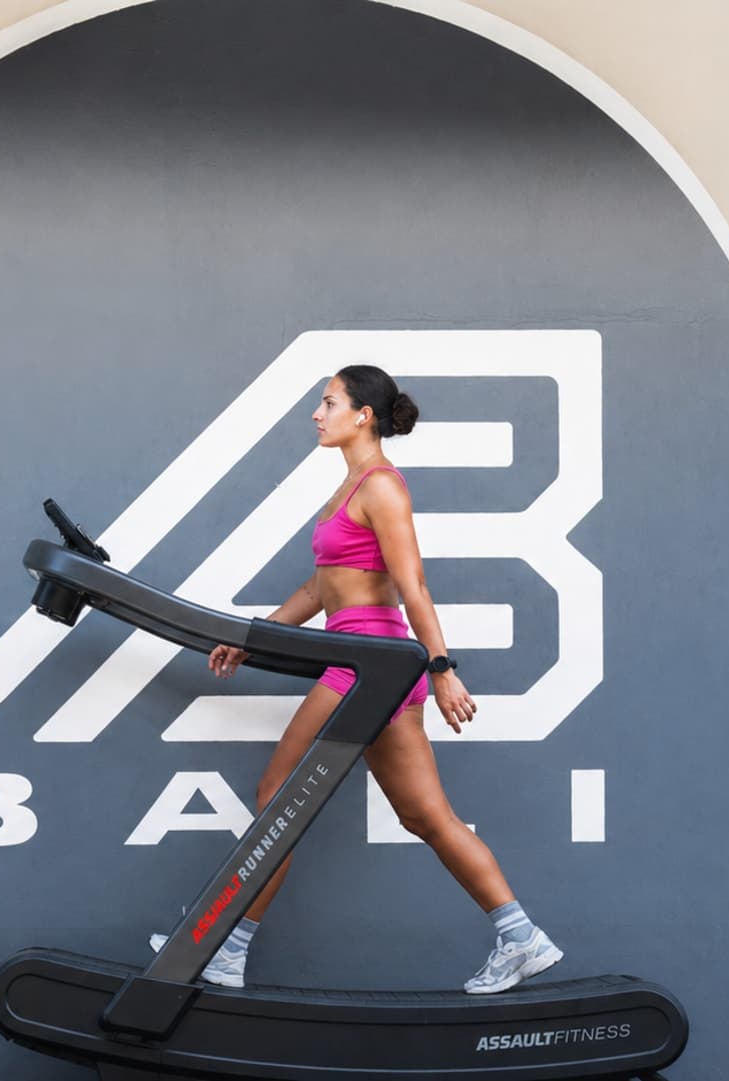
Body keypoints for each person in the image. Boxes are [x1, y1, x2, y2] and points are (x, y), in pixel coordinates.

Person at [151, 364, 561, 995]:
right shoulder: (346, 489)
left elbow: (413, 583)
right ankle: (521, 936)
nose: (317, 414)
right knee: (426, 818)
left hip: (371, 662)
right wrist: (250, 638)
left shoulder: (382, 488)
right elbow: (321, 588)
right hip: (362, 663)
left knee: (277, 798)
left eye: (329, 402)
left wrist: (443, 668)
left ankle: (227, 945)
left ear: (363, 414)